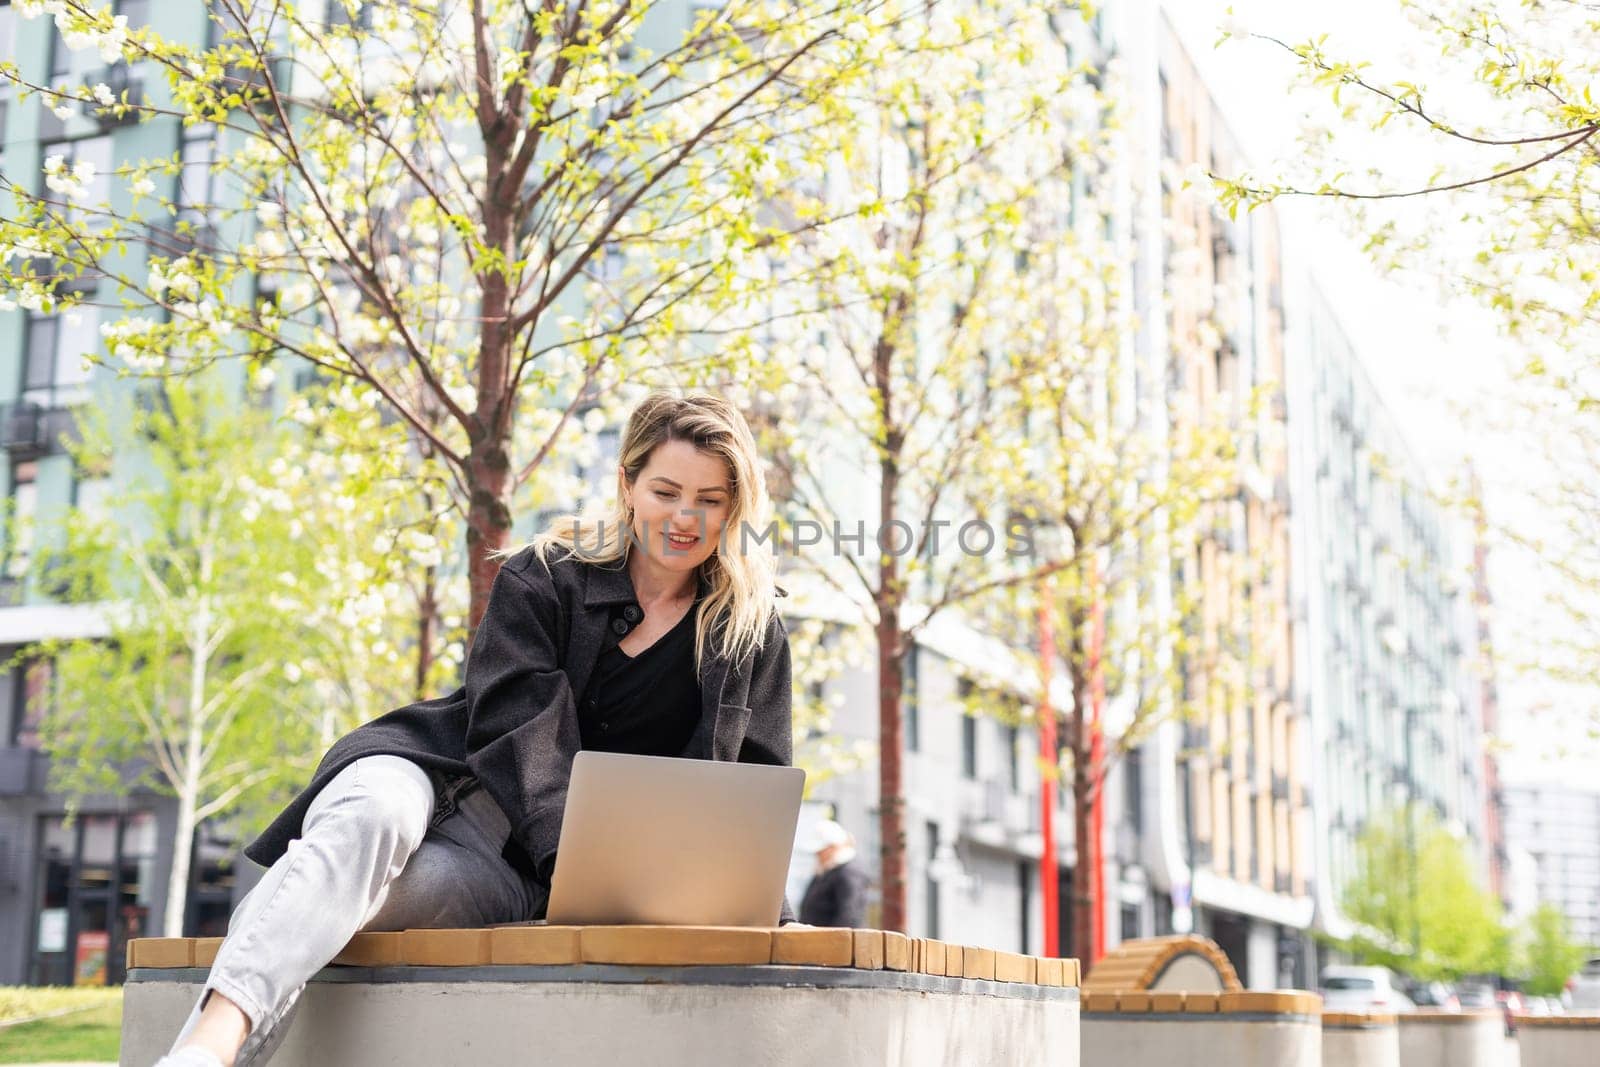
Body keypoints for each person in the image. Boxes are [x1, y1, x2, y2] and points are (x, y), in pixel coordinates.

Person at [158, 392, 795, 1067]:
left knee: (330, 900)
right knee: (371, 818)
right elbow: (520, 734)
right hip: (441, 778)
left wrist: (775, 916)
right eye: (666, 490)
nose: (684, 517)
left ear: (735, 508)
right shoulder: (546, 576)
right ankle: (203, 1051)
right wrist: (574, 864)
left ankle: (298, 892)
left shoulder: (750, 631)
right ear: (627, 485)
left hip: (508, 871)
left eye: (711, 499)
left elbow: (754, 799)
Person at [798, 818, 868, 929]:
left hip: (833, 943)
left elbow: (849, 914)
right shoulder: (826, 871)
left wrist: (833, 942)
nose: (818, 855)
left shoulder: (848, 873)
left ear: (832, 847)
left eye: (821, 851)